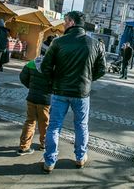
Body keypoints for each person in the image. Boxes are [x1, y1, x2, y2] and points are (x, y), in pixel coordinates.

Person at [40, 11, 106, 173]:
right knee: (81, 126)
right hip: (81, 92)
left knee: (54, 126)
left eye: (65, 21)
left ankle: (49, 161)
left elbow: (45, 67)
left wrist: (54, 81)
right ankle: (80, 157)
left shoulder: (58, 42)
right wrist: (88, 79)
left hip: (60, 91)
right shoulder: (95, 44)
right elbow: (102, 69)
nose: (63, 24)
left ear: (71, 22)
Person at [17, 55, 51, 155]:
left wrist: (31, 87)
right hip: (46, 100)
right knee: (44, 123)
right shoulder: (53, 65)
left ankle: (24, 147)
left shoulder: (32, 63)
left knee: (30, 121)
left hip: (31, 97)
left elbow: (22, 77)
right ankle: (43, 144)